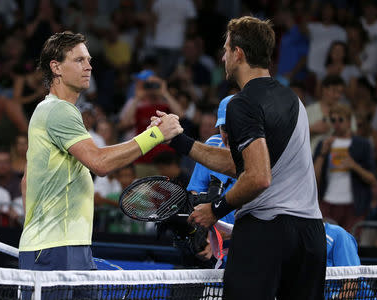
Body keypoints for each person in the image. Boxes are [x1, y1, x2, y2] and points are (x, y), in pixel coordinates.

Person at [154, 16, 326, 299]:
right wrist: (180, 141)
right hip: (310, 236)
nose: (223, 57)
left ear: (239, 53)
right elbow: (244, 165)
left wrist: (215, 210)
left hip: (266, 233)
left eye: (225, 49)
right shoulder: (293, 100)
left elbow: (258, 177)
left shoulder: (242, 104)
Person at [18, 32, 182, 273]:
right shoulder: (59, 111)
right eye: (79, 60)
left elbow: (26, 182)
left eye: (89, 60)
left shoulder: (49, 110)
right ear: (56, 68)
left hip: (61, 245)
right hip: (58, 247)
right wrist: (155, 136)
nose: (89, 67)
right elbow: (99, 163)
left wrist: (35, 232)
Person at [186, 95, 236, 267]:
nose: (228, 134)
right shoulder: (212, 144)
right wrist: (202, 232)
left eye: (235, 127)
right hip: (214, 247)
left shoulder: (266, 156)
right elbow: (195, 192)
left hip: (248, 245)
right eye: (224, 128)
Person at [313, 103, 376, 232]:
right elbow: (313, 178)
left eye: (340, 119)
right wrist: (323, 153)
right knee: (326, 244)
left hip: (353, 205)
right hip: (327, 201)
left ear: (349, 121)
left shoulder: (362, 144)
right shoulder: (324, 143)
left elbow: (372, 179)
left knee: (350, 245)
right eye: (333, 120)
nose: (336, 123)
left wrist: (353, 166)